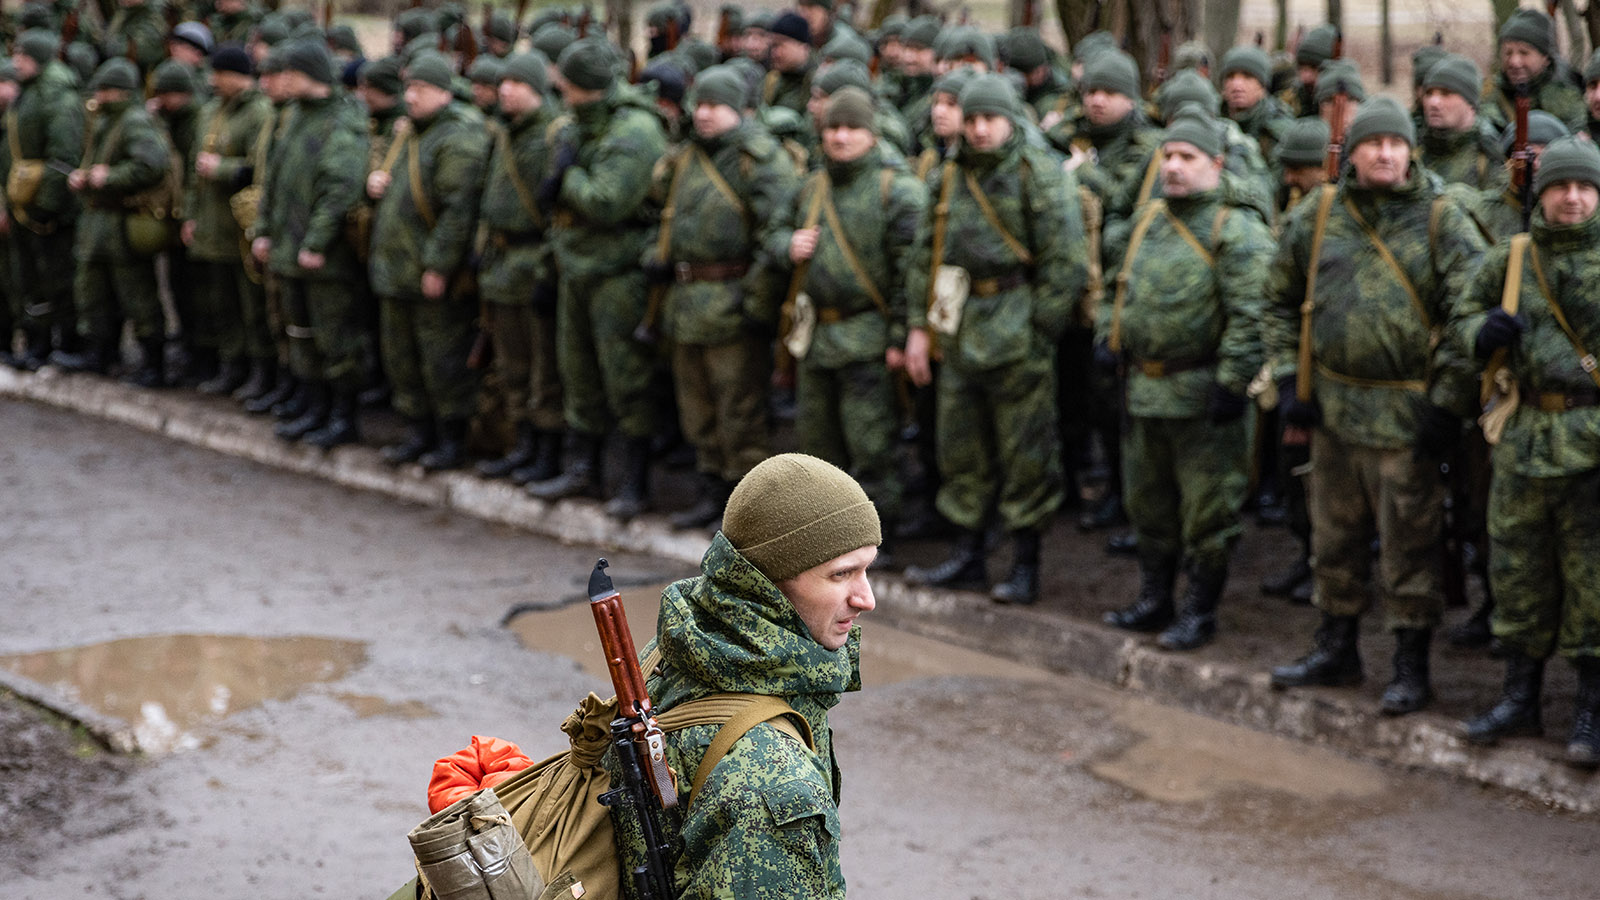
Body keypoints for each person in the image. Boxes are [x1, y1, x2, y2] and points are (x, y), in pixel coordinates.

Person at [1265, 97, 1487, 715]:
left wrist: (1446, 405)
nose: (1385, 154)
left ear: (1410, 150)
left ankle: (1410, 667)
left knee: (1408, 547)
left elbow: (1472, 316)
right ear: (1352, 154)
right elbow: (1278, 300)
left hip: (1406, 419)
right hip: (1332, 412)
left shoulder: (1443, 219)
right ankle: (1336, 649)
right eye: (1372, 144)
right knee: (1332, 540)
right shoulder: (1319, 214)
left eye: (1395, 143)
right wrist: (1291, 383)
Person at [610, 452, 879, 900]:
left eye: (868, 568)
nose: (866, 598)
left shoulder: (684, 646)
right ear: (767, 581)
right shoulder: (772, 784)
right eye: (842, 574)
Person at [902, 73, 1088, 605]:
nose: (980, 130)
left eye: (991, 120)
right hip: (960, 327)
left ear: (1011, 120)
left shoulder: (1039, 175)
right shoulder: (948, 174)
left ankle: (1026, 561)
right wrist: (920, 327)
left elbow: (1065, 264)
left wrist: (1037, 330)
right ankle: (970, 554)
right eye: (973, 119)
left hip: (1017, 326)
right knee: (961, 446)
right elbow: (924, 257)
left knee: (1025, 452)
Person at [1098, 107, 1273, 651]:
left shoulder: (1235, 229)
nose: (1173, 167)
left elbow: (1254, 312)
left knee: (1206, 512)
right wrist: (1111, 337)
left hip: (1203, 397)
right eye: (1168, 156)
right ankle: (1155, 598)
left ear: (1217, 164)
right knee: (1148, 504)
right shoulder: (1146, 221)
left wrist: (1232, 380)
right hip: (1146, 392)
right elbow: (1113, 287)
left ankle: (1200, 610)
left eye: (1187, 157)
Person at [1455, 135, 1600, 769]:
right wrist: (1479, 334)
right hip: (1520, 440)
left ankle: (1591, 708)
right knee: (1516, 570)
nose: (1571, 198)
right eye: (1559, 187)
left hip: (1591, 442)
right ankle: (1520, 695)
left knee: (1592, 579)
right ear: (1539, 195)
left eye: (1584, 187)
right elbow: (1459, 317)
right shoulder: (1510, 260)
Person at [645, 65, 798, 529]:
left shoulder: (758, 160)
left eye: (717, 106)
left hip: (733, 301)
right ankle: (711, 492)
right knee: (697, 409)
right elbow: (660, 210)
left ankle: (747, 511)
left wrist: (757, 304)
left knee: (740, 411)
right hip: (687, 301)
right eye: (701, 105)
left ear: (740, 111)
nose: (705, 115)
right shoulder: (684, 158)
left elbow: (775, 237)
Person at [780, 86, 927, 559]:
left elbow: (912, 272)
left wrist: (901, 336)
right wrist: (787, 244)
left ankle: (877, 542)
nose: (841, 138)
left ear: (872, 133)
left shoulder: (896, 190)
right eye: (832, 129)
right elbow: (771, 237)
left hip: (869, 338)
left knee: (872, 447)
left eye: (852, 128)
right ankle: (826, 544)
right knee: (817, 449)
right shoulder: (811, 187)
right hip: (817, 336)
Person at [527, 38, 669, 519]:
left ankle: (634, 479)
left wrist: (568, 178)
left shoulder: (636, 131)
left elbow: (608, 201)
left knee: (625, 375)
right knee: (577, 370)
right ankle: (582, 467)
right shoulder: (575, 127)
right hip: (576, 264)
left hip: (618, 271)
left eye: (566, 85)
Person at [367, 50, 488, 468]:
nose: (410, 97)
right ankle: (418, 432)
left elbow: (459, 210)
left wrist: (439, 264)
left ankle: (450, 438)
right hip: (396, 269)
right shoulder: (409, 133)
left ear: (442, 92)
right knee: (403, 359)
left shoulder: (458, 137)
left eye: (419, 89)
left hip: (427, 271)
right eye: (408, 88)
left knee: (442, 359)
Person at [254, 40, 372, 448]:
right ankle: (313, 406)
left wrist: (317, 242)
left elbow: (340, 189)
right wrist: (263, 229)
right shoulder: (293, 118)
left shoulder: (342, 120)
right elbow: (273, 180)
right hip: (289, 247)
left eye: (290, 72)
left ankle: (342, 415)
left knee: (335, 336)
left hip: (324, 257)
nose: (281, 80)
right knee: (300, 332)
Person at [473, 52, 568, 485]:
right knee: (511, 366)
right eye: (503, 82)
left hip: (533, 265)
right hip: (502, 266)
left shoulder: (550, 137)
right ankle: (522, 444)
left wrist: (548, 269)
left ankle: (547, 452)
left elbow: (555, 214)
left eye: (517, 83)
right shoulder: (505, 132)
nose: (505, 90)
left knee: (541, 368)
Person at [67, 57, 171, 386]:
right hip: (97, 221)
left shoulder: (135, 122)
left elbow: (152, 165)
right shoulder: (104, 121)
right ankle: (100, 352)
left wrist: (110, 177)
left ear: (121, 92)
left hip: (122, 222)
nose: (99, 95)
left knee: (136, 293)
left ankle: (153, 364)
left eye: (105, 90)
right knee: (92, 290)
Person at [183, 42, 273, 399]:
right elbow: (193, 169)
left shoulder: (258, 113)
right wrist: (190, 215)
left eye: (220, 74)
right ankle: (230, 365)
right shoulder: (209, 111)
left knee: (251, 306)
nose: (214, 80)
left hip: (240, 224)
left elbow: (258, 169)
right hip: (210, 222)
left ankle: (260, 371)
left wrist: (220, 168)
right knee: (221, 303)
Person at [8, 29, 83, 371]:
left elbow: (63, 157)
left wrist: (46, 208)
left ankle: (65, 342)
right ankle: (38, 342)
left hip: (48, 210)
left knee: (58, 276)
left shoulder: (57, 96)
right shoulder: (29, 93)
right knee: (31, 279)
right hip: (26, 206)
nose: (16, 63)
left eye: (22, 57)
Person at [1482, 7, 1585, 134]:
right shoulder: (1489, 94)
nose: (1514, 62)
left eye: (1524, 53)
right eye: (1508, 53)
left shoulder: (1569, 94)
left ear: (1545, 58)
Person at [1417, 54, 1505, 191]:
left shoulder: (1490, 154)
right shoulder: (1415, 150)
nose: (1433, 102)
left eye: (1445, 94)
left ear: (1470, 103)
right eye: (1429, 93)